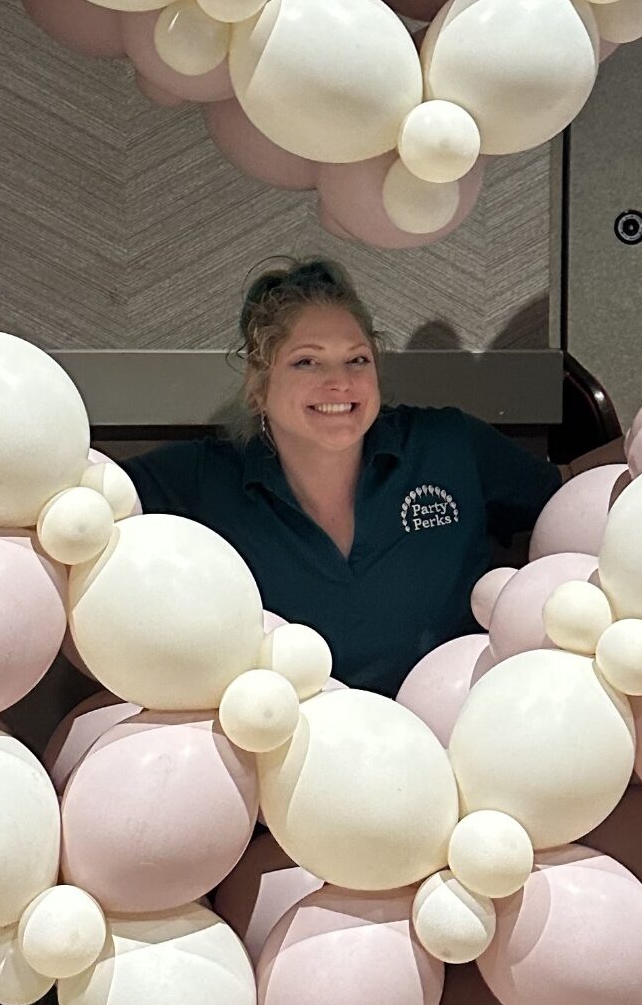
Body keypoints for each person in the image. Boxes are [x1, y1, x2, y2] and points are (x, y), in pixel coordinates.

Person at [126, 259, 570, 696]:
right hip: (284, 734)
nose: (339, 382)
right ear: (258, 385)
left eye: (357, 359)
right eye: (307, 362)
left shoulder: (447, 445)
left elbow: (575, 495)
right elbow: (94, 504)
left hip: (455, 723)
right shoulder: (203, 480)